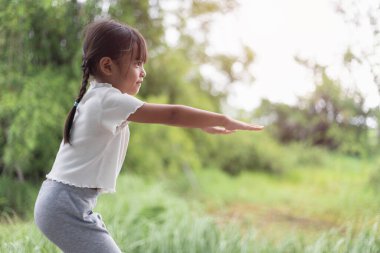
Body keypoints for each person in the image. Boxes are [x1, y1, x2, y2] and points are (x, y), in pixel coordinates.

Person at [34, 19, 264, 253]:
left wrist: (202, 124)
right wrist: (222, 119)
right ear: (107, 66)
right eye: (136, 63)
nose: (143, 72)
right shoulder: (108, 99)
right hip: (65, 207)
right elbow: (173, 114)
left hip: (62, 203)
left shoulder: (98, 98)